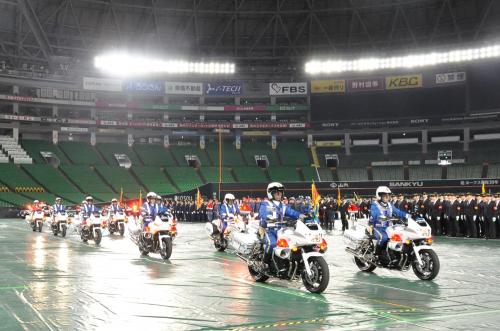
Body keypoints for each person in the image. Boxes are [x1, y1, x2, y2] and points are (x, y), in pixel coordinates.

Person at [258, 182, 303, 266]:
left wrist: (300, 215)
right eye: (277, 193)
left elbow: (291, 212)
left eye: (280, 193)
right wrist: (267, 218)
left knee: (292, 243)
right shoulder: (265, 204)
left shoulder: (283, 206)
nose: (279, 194)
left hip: (281, 230)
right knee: (273, 244)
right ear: (271, 194)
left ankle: (285, 263)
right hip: (268, 230)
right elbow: (263, 214)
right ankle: (264, 263)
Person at [368, 186, 408, 254]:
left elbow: (398, 212)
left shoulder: (390, 205)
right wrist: (381, 217)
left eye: (388, 195)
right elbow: (375, 213)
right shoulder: (374, 205)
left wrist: (407, 215)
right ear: (379, 196)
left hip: (389, 227)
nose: (387, 197)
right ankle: (377, 254)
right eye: (385, 195)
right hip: (377, 227)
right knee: (384, 237)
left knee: (400, 236)